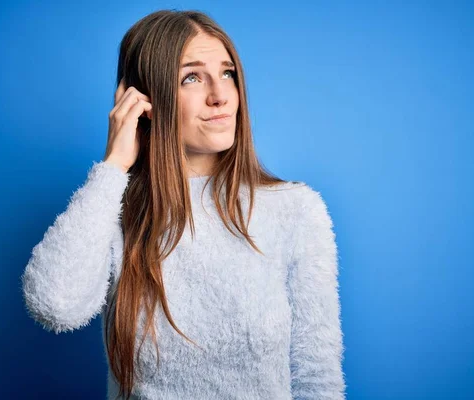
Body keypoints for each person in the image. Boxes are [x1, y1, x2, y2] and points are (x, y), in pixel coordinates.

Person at [21, 9, 346, 400]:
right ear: (144, 101)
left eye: (228, 73)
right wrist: (113, 167)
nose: (220, 95)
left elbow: (317, 377)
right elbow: (54, 304)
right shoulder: (113, 211)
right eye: (191, 77)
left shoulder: (295, 210)